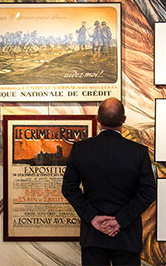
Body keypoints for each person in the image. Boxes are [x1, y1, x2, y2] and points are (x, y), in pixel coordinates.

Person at [62, 97, 156, 266]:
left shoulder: (80, 149)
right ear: (124, 120)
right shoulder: (138, 152)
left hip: (93, 235)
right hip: (127, 235)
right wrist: (120, 220)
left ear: (97, 120)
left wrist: (93, 217)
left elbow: (69, 188)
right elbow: (148, 193)